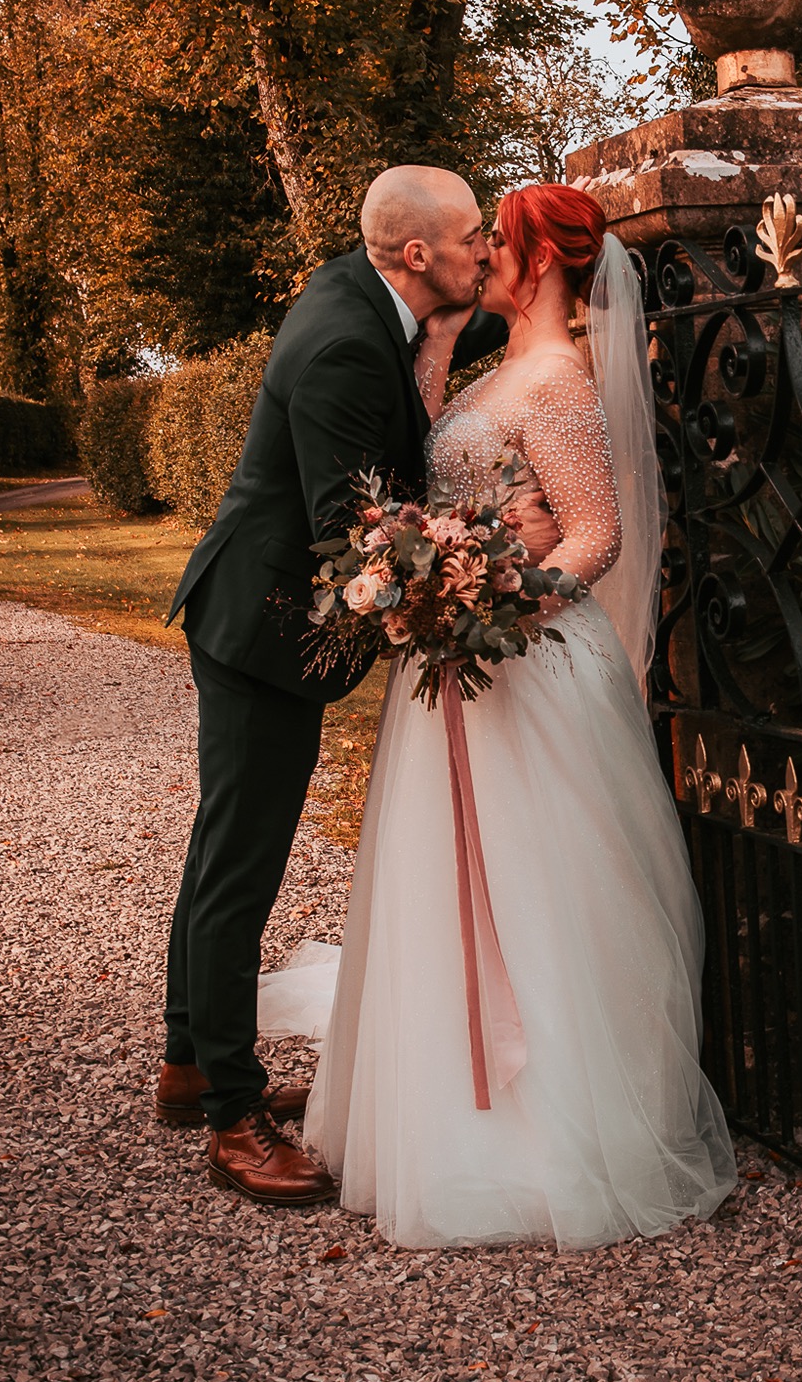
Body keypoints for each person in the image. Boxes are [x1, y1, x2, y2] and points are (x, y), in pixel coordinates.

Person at [259, 183, 736, 1246]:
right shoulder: (489, 366)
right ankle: (432, 1099)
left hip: (524, 666)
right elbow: (460, 490)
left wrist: (500, 606)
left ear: (544, 259)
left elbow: (595, 534)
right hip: (458, 668)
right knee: (442, 889)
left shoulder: (559, 378)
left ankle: (545, 1134)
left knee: (537, 893)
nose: (484, 258)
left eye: (500, 242)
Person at [158, 165, 559, 1206]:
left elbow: (431, 345)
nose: (485, 247)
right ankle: (232, 1117)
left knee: (221, 846)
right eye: (473, 235)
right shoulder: (343, 342)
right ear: (418, 254)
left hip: (250, 609)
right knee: (240, 865)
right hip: (264, 629)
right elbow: (359, 532)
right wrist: (467, 571)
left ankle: (188, 1060)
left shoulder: (366, 295)